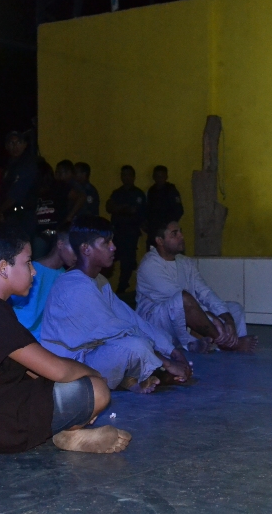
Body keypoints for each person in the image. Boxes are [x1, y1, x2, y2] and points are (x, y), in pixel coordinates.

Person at [0, 222, 131, 455]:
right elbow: (58, 370)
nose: (34, 271)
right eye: (28, 262)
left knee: (61, 382)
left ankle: (65, 428)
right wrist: (94, 375)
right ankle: (68, 433)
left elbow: (29, 367)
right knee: (97, 390)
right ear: (3, 268)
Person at [40, 216, 191, 394]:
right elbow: (115, 329)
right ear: (86, 249)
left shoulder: (99, 280)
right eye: (106, 243)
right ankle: (135, 379)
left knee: (142, 341)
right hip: (69, 364)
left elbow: (130, 318)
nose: (113, 247)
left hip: (91, 354)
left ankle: (133, 379)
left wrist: (172, 351)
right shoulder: (74, 286)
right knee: (137, 346)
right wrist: (167, 363)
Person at [136, 220, 257, 354]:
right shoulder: (149, 265)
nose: (181, 236)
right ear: (160, 241)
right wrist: (214, 319)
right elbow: (181, 299)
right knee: (184, 299)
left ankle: (216, 340)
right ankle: (227, 344)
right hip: (159, 323)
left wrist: (227, 319)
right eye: (175, 234)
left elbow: (205, 293)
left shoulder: (185, 262)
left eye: (180, 232)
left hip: (187, 319)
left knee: (234, 309)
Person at [10, 222, 77, 340]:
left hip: (46, 341)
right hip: (20, 337)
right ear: (60, 244)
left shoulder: (65, 276)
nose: (78, 255)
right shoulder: (31, 270)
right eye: (74, 248)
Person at [106, 165, 146, 293]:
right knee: (108, 258)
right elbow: (109, 207)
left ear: (133, 177)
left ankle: (122, 288)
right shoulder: (117, 193)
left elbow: (138, 212)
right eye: (123, 175)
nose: (126, 178)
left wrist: (120, 209)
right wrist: (125, 209)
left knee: (127, 262)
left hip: (130, 233)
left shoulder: (138, 194)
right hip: (116, 231)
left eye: (128, 175)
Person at [0, 131, 38, 236]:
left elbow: (17, 193)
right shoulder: (9, 164)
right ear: (6, 146)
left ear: (24, 145)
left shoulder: (27, 164)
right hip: (11, 214)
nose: (15, 146)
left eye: (18, 142)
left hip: (25, 215)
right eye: (11, 143)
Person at [146, 165, 183, 247]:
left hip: (167, 231)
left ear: (166, 177)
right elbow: (148, 209)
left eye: (161, 176)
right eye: (157, 176)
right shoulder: (151, 191)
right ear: (153, 177)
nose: (159, 179)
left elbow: (179, 211)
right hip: (154, 230)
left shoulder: (171, 191)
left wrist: (168, 226)